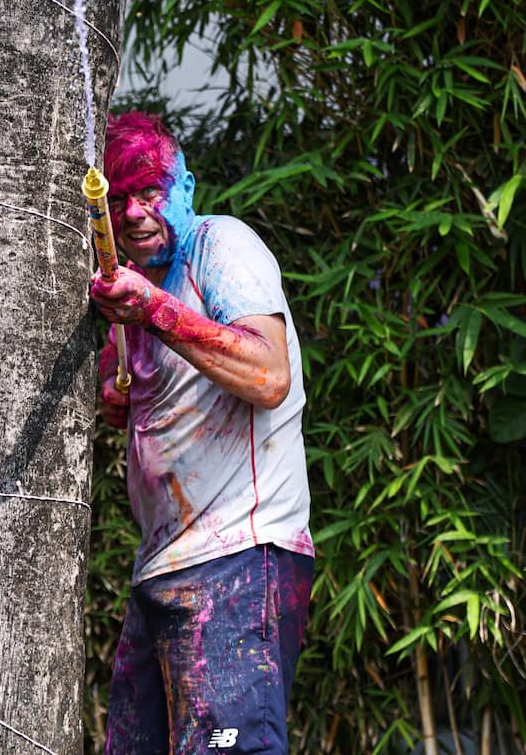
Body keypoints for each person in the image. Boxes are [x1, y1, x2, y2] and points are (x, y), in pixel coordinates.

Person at [89, 112, 314, 755]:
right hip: (162, 567)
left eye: (150, 191)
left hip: (242, 555)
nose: (134, 211)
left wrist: (154, 311)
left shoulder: (220, 243)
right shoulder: (132, 291)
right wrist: (117, 392)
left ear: (184, 187)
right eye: (121, 196)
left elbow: (269, 374)